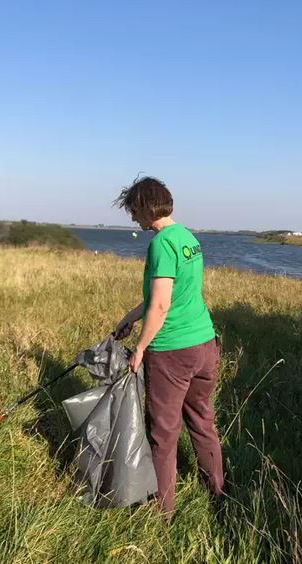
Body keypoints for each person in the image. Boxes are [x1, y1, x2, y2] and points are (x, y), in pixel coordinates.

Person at [113, 176, 224, 519]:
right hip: (204, 345)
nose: (134, 219)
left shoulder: (161, 244)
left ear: (146, 207)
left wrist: (140, 349)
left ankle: (162, 513)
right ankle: (217, 494)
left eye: (134, 211)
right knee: (203, 421)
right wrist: (130, 317)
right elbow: (166, 297)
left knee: (163, 432)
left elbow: (160, 307)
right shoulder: (188, 238)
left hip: (173, 351)